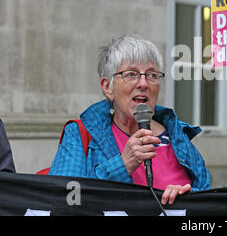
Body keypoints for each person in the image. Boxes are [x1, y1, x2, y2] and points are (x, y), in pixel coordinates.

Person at [49, 34, 210, 204]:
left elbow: (211, 202)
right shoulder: (79, 134)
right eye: (131, 74)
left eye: (152, 75)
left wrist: (191, 198)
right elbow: (62, 200)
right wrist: (121, 165)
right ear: (107, 87)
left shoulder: (179, 138)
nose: (143, 83)